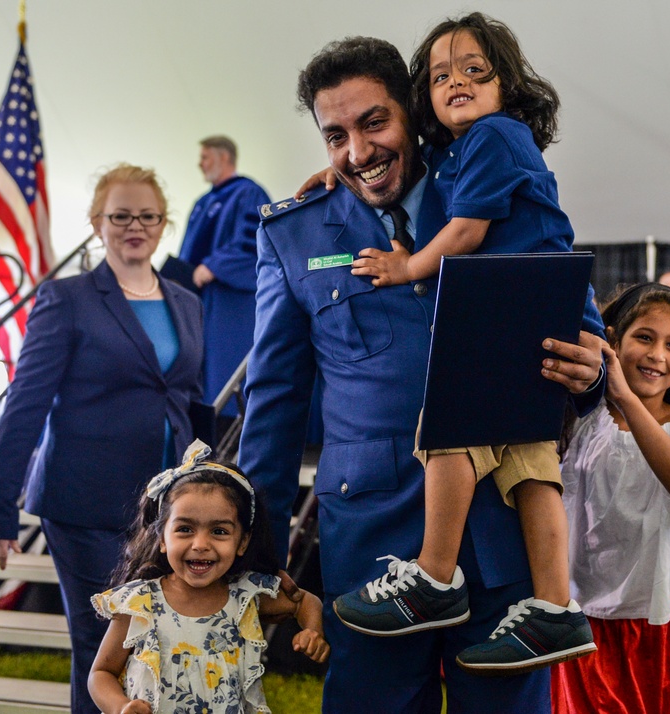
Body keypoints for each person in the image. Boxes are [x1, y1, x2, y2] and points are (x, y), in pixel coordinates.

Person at [239, 36, 604, 713]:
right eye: (335, 136)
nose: (357, 152)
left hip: (502, 531)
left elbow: (578, 316)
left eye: (374, 123)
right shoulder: (294, 234)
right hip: (371, 543)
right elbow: (275, 403)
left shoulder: (488, 184)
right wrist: (261, 556)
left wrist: (593, 369)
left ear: (412, 111)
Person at [331, 13, 601, 675]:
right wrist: (337, 177)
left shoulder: (495, 136)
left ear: (506, 83)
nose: (455, 83)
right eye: (440, 75)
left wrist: (407, 265)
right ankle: (555, 607)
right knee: (529, 462)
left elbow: (469, 233)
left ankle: (433, 575)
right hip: (536, 304)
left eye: (473, 70)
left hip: (507, 300)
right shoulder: (458, 153)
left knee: (447, 429)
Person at [0, 163, 204, 714]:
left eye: (147, 215)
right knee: (103, 645)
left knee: (159, 644)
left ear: (163, 223)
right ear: (97, 222)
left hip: (167, 508)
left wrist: (207, 483)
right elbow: (25, 406)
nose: (134, 226)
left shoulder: (187, 302)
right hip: (85, 501)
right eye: (120, 215)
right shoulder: (66, 298)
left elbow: (191, 399)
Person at [553, 283, 670, 714]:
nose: (657, 353)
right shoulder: (582, 417)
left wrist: (622, 394)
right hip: (574, 613)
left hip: (645, 619)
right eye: (644, 337)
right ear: (614, 341)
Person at [88, 440, 328, 714]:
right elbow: (101, 673)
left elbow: (302, 601)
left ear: (242, 542)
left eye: (219, 532)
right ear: (162, 538)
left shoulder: (246, 596)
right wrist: (121, 707)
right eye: (185, 529)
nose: (200, 544)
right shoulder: (139, 604)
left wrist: (312, 630)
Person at [178, 136, 270, 430]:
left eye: (205, 157)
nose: (199, 164)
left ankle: (228, 425)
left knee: (222, 370)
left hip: (229, 299)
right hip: (199, 299)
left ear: (224, 158)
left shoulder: (247, 192)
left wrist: (215, 266)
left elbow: (253, 241)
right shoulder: (204, 201)